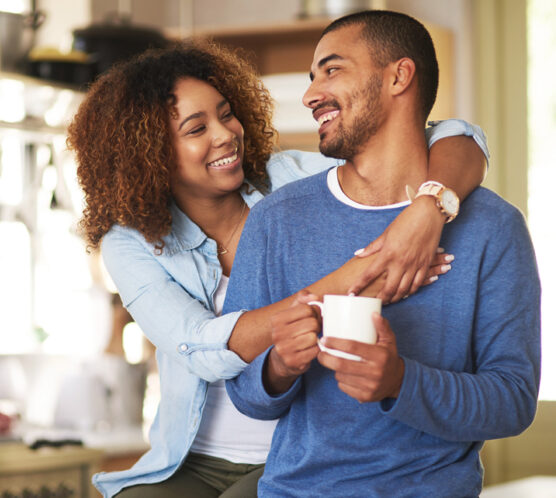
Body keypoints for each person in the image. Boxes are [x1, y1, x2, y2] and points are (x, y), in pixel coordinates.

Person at [66, 40, 489, 497]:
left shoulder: (290, 178)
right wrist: (363, 276)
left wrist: (427, 210)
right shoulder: (129, 242)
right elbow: (204, 349)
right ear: (148, 153)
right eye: (196, 129)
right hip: (190, 460)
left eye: (226, 114)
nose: (225, 134)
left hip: (295, 454)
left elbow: (458, 135)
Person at [224, 10, 540, 497]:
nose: (310, 95)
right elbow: (245, 392)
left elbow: (513, 402)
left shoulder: (494, 228)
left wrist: (399, 381)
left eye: (332, 70)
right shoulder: (276, 219)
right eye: (312, 77)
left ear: (399, 76)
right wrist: (278, 367)